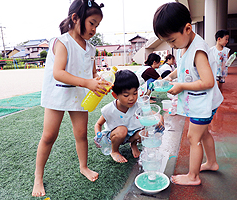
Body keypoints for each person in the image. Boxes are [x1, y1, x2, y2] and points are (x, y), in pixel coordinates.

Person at [32, 0, 105, 197]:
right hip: (57, 93)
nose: (94, 29)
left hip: (78, 96)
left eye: (97, 25)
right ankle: (38, 176)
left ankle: (83, 166)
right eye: (92, 23)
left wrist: (100, 81)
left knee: (81, 134)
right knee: (49, 136)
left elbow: (93, 73)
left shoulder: (91, 49)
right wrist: (88, 83)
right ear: (75, 18)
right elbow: (59, 73)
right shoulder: (61, 42)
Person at [153, 2, 224, 185]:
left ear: (187, 28)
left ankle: (193, 177)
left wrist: (182, 86)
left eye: (172, 40)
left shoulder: (199, 51)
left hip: (203, 102)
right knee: (204, 133)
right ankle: (212, 163)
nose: (171, 45)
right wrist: (170, 77)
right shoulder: (186, 44)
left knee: (194, 138)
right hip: (203, 101)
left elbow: (208, 82)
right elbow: (184, 66)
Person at [94, 70, 164, 163]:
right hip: (115, 135)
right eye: (126, 95)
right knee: (122, 130)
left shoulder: (139, 105)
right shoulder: (109, 109)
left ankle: (133, 144)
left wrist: (160, 121)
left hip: (132, 134)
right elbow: (98, 124)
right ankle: (114, 151)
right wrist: (98, 135)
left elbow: (156, 114)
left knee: (144, 132)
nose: (132, 98)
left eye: (135, 93)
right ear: (115, 95)